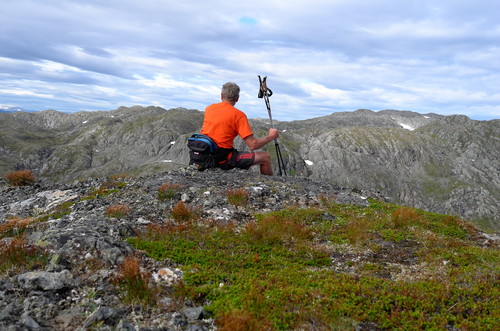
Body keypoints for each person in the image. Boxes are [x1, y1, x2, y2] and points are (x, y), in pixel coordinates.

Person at [200, 82, 279, 175]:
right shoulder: (238, 115)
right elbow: (253, 145)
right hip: (222, 158)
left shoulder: (209, 108)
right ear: (237, 98)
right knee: (265, 157)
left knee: (243, 153)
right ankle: (268, 185)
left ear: (221, 96)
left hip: (204, 153)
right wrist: (271, 136)